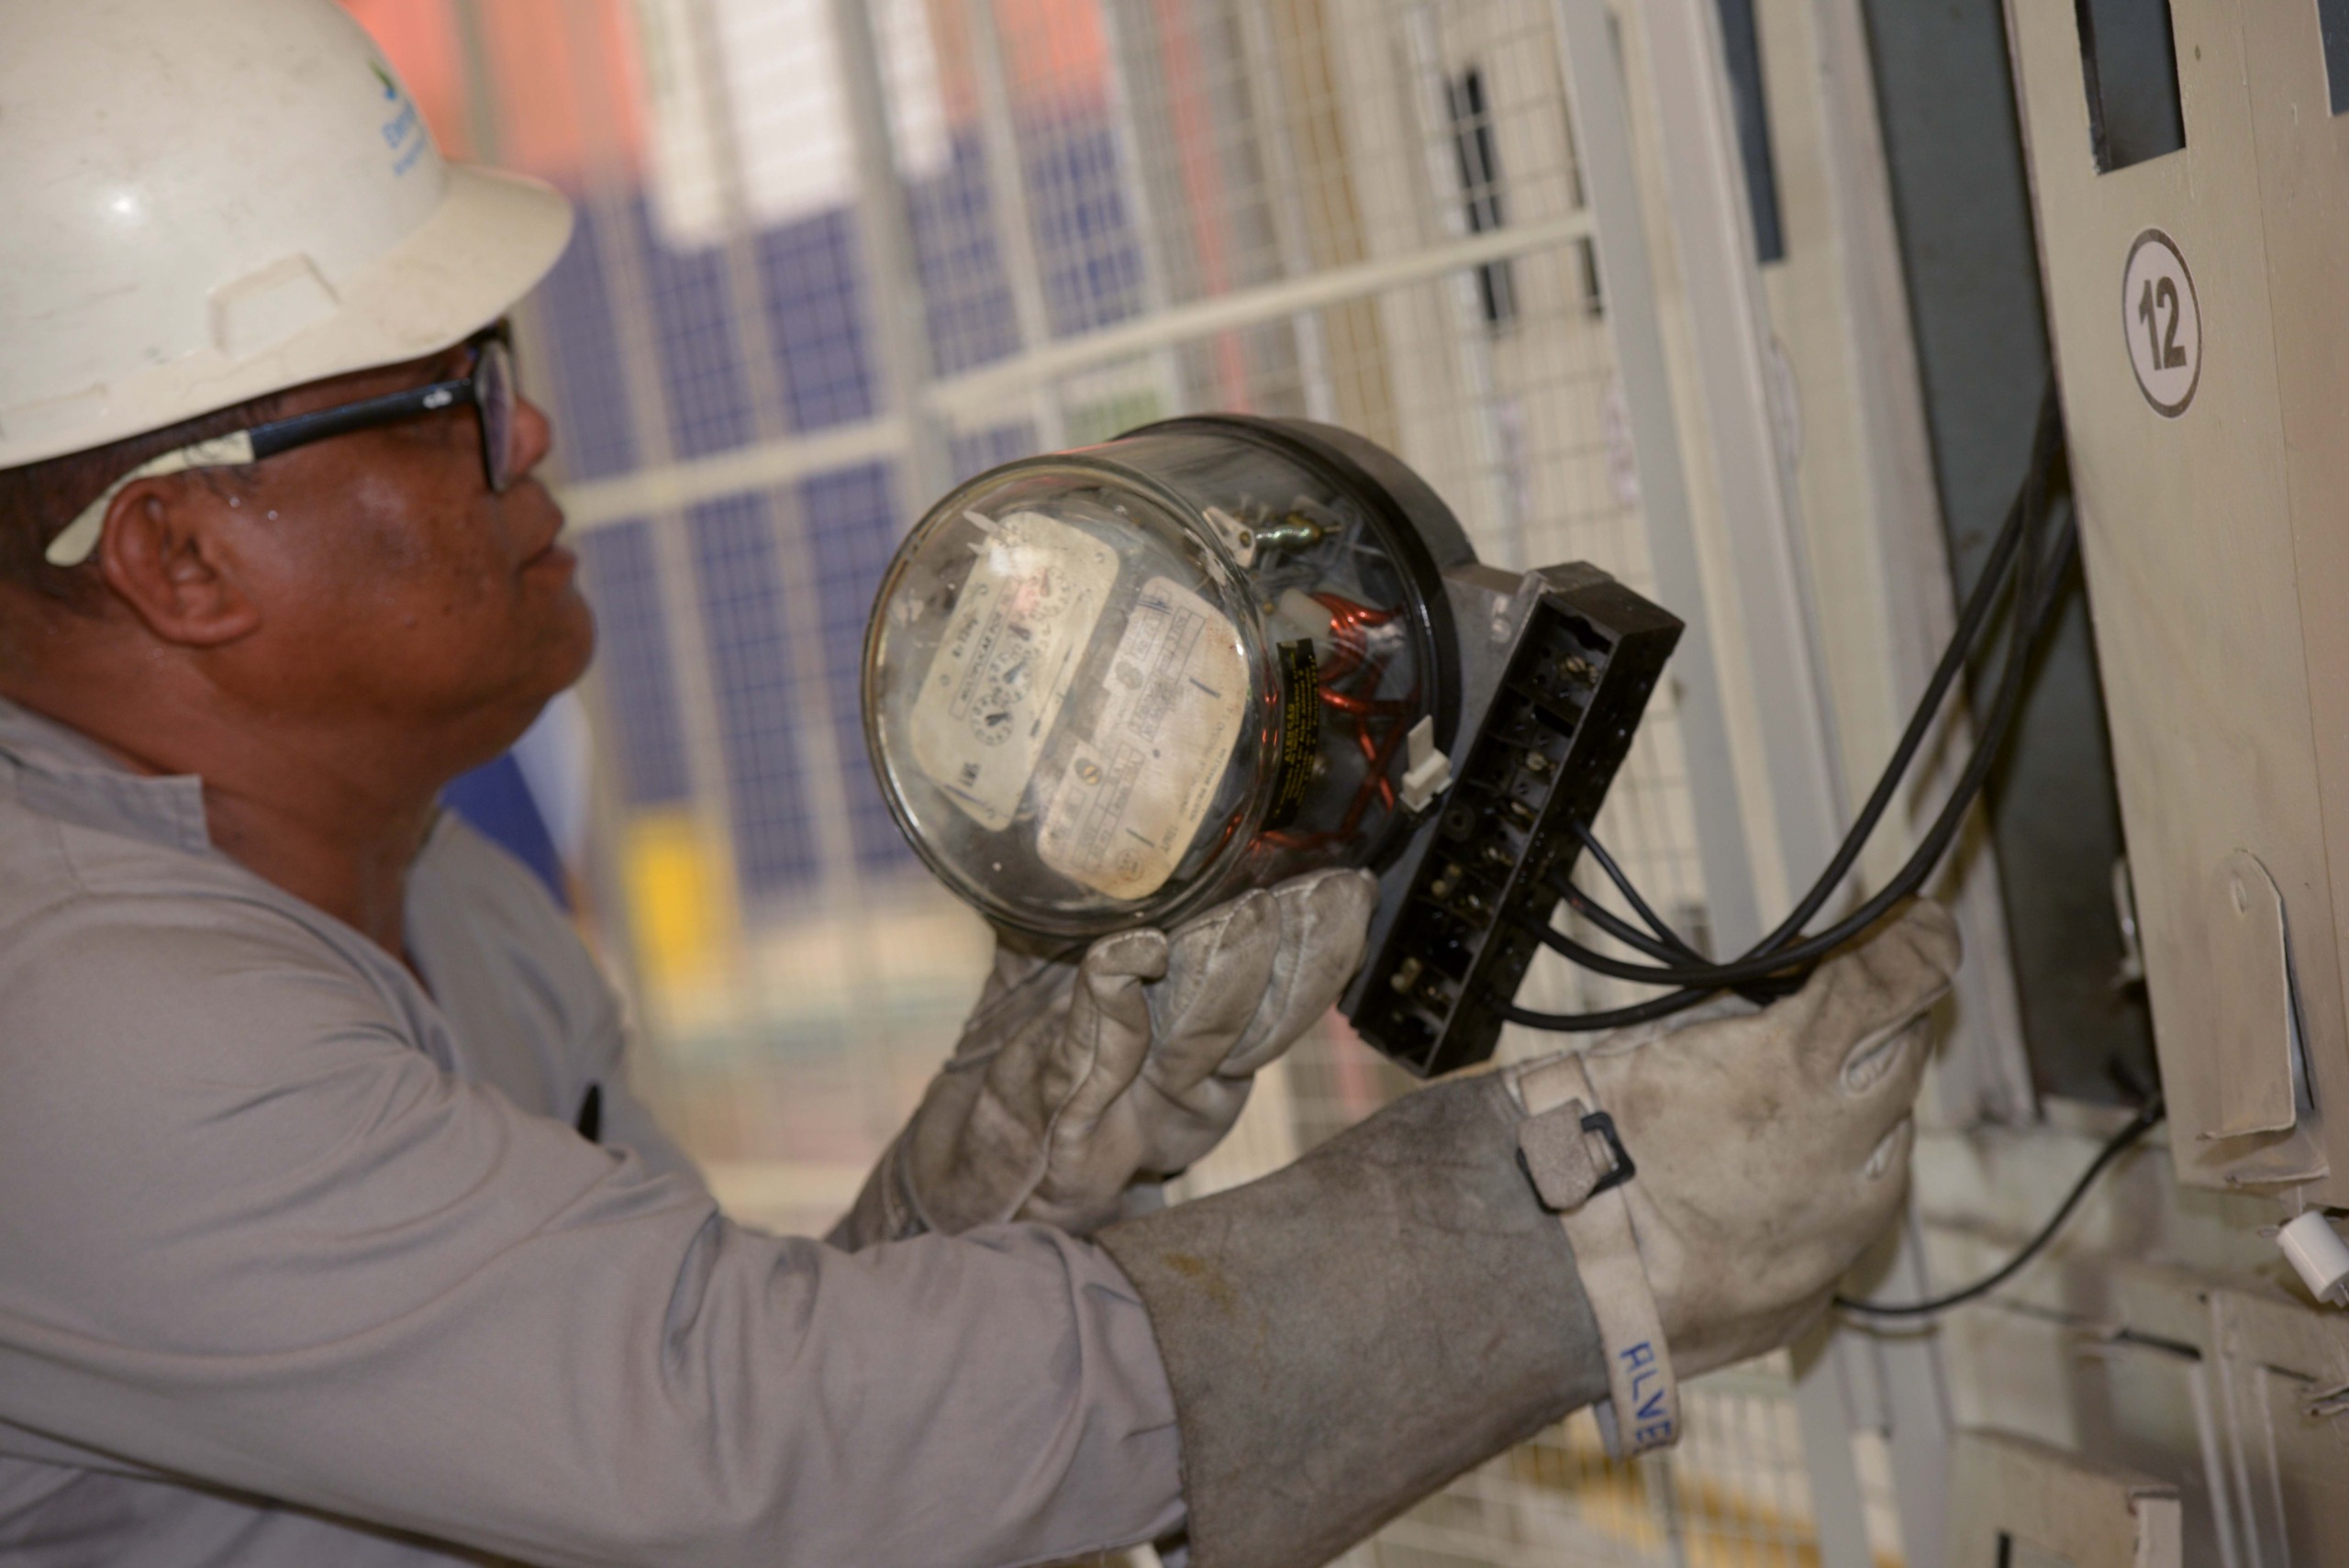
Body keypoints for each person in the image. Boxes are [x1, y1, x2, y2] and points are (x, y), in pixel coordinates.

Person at [0, 4, 1960, 1566]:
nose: (533, 433)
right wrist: (1546, 1239)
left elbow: (683, 1486)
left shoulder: (449, 906)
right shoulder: (76, 1030)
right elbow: (743, 1450)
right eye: (454, 391)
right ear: (180, 554)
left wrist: (1014, 1160)